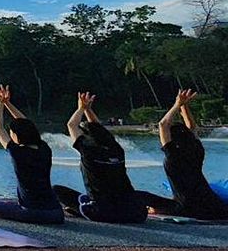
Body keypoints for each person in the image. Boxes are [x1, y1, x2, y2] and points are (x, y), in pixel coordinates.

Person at [52, 92, 147, 223]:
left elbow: (71, 125)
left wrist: (81, 108)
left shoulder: (88, 151)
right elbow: (100, 131)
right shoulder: (118, 151)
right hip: (135, 212)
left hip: (104, 211)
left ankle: (77, 210)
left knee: (56, 190)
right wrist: (88, 109)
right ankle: (76, 208)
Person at [0, 85, 65, 224]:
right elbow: (28, 125)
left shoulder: (17, 152)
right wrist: (8, 103)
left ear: (17, 136)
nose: (10, 136)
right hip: (56, 213)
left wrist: (0, 103)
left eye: (11, 133)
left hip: (32, 213)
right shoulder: (44, 149)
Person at [136, 90, 228, 220]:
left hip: (186, 208)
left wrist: (177, 104)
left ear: (172, 139)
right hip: (214, 206)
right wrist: (184, 106)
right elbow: (191, 127)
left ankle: (156, 209)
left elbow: (163, 125)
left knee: (140, 196)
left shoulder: (173, 156)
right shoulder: (197, 151)